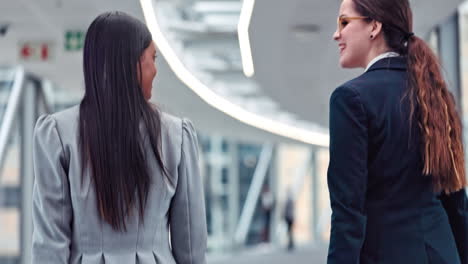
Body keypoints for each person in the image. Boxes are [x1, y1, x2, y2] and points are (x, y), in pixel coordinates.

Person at [31, 11, 207, 264]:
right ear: (130, 64)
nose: (156, 71)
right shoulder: (176, 136)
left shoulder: (57, 134)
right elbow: (191, 243)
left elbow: (49, 244)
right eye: (152, 59)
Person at [328, 0, 468, 263]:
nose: (337, 34)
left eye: (344, 22)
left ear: (374, 26)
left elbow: (348, 212)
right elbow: (456, 199)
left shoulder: (350, 99)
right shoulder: (436, 95)